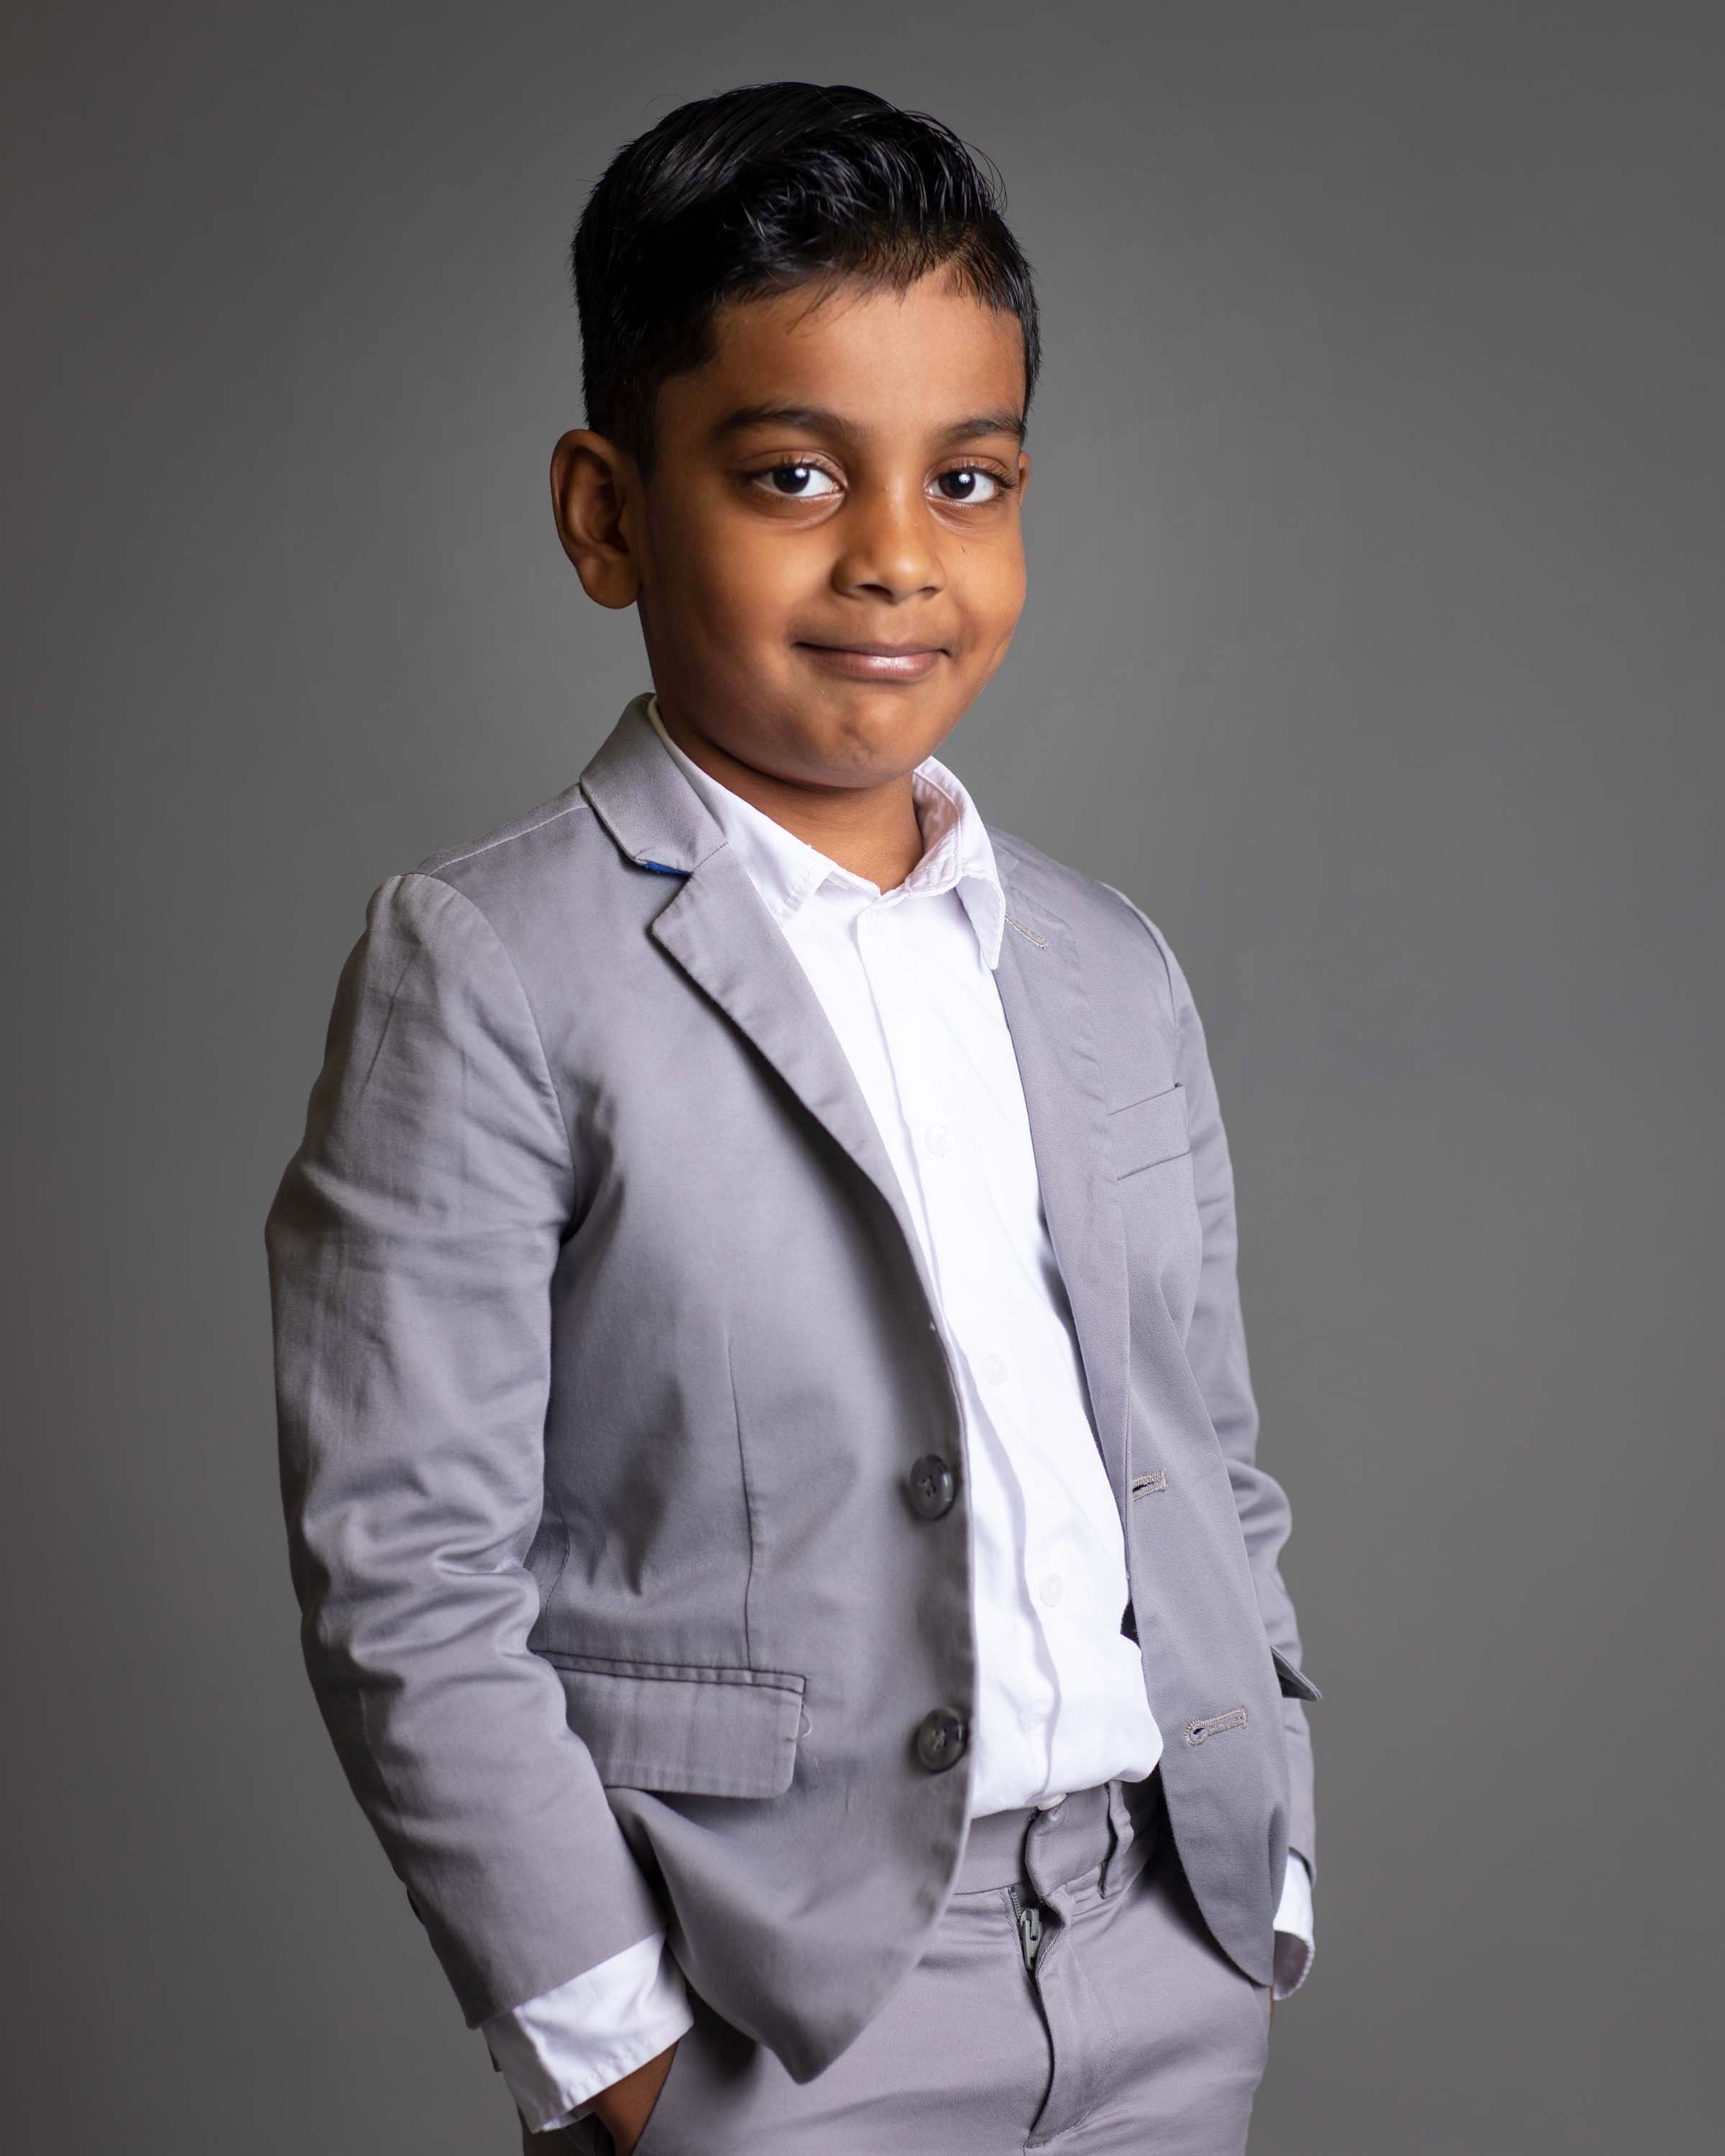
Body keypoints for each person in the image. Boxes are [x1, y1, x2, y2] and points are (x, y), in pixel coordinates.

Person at [264, 80, 1320, 2156]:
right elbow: (403, 1568)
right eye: (793, 472)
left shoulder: (1111, 968)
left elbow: (1210, 1461)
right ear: (607, 512)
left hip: (1164, 1957)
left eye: (973, 476)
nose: (897, 558)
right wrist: (616, 2038)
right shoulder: (488, 966)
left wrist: (1265, 1851)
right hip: (773, 2012)